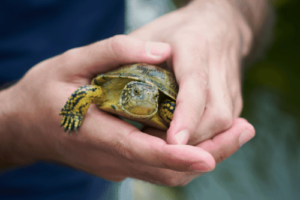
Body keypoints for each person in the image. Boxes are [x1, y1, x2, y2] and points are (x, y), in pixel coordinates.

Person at [0, 0, 270, 199]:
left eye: (150, 94)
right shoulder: (108, 91)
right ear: (130, 92)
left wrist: (230, 14)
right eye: (140, 92)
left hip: (105, 183)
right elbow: (87, 92)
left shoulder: (158, 102)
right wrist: (17, 125)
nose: (147, 95)